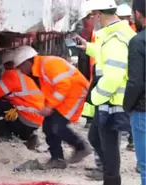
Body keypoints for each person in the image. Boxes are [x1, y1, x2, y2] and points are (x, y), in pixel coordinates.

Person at [75, 0, 136, 184]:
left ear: (99, 14)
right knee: (97, 138)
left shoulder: (114, 38)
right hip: (111, 100)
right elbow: (107, 54)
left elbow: (114, 75)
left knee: (108, 145)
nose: (91, 20)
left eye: (92, 16)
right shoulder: (115, 34)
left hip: (112, 101)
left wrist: (95, 97)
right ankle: (111, 173)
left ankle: (111, 179)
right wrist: (89, 47)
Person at [12, 45, 91, 169]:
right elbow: (51, 89)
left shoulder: (48, 65)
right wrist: (47, 105)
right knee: (48, 127)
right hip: (66, 94)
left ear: (27, 62)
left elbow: (63, 85)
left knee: (58, 126)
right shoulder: (37, 69)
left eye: (20, 67)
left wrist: (50, 106)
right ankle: (57, 158)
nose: (20, 71)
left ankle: (81, 147)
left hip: (76, 93)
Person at [0, 49, 44, 150]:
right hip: (35, 120)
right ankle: (27, 136)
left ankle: (4, 133)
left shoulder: (12, 74)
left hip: (26, 121)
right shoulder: (24, 75)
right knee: (7, 104)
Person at [123, 0, 146, 184]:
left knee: (145, 166)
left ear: (138, 13)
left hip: (142, 110)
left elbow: (135, 82)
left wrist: (127, 106)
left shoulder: (138, 41)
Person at [72, 2, 97, 129]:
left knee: (91, 86)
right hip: (86, 53)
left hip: (93, 57)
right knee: (85, 84)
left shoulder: (100, 26)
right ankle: (88, 117)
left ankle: (90, 118)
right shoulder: (83, 21)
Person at [117, 3, 138, 151]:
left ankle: (133, 141)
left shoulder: (133, 34)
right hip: (127, 76)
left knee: (129, 114)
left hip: (127, 78)